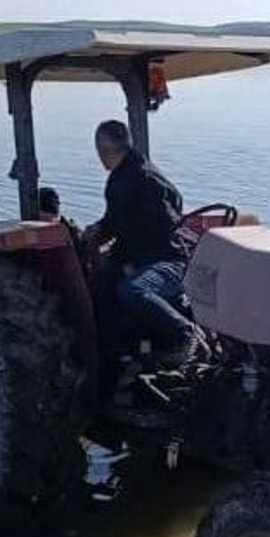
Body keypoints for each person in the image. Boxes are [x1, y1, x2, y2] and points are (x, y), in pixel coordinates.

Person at [86, 120, 202, 368]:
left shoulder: (124, 183)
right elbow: (171, 207)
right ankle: (132, 353)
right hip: (173, 254)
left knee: (132, 289)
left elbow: (125, 228)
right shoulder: (148, 170)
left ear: (103, 151)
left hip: (170, 261)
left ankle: (183, 333)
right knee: (110, 283)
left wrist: (116, 253)